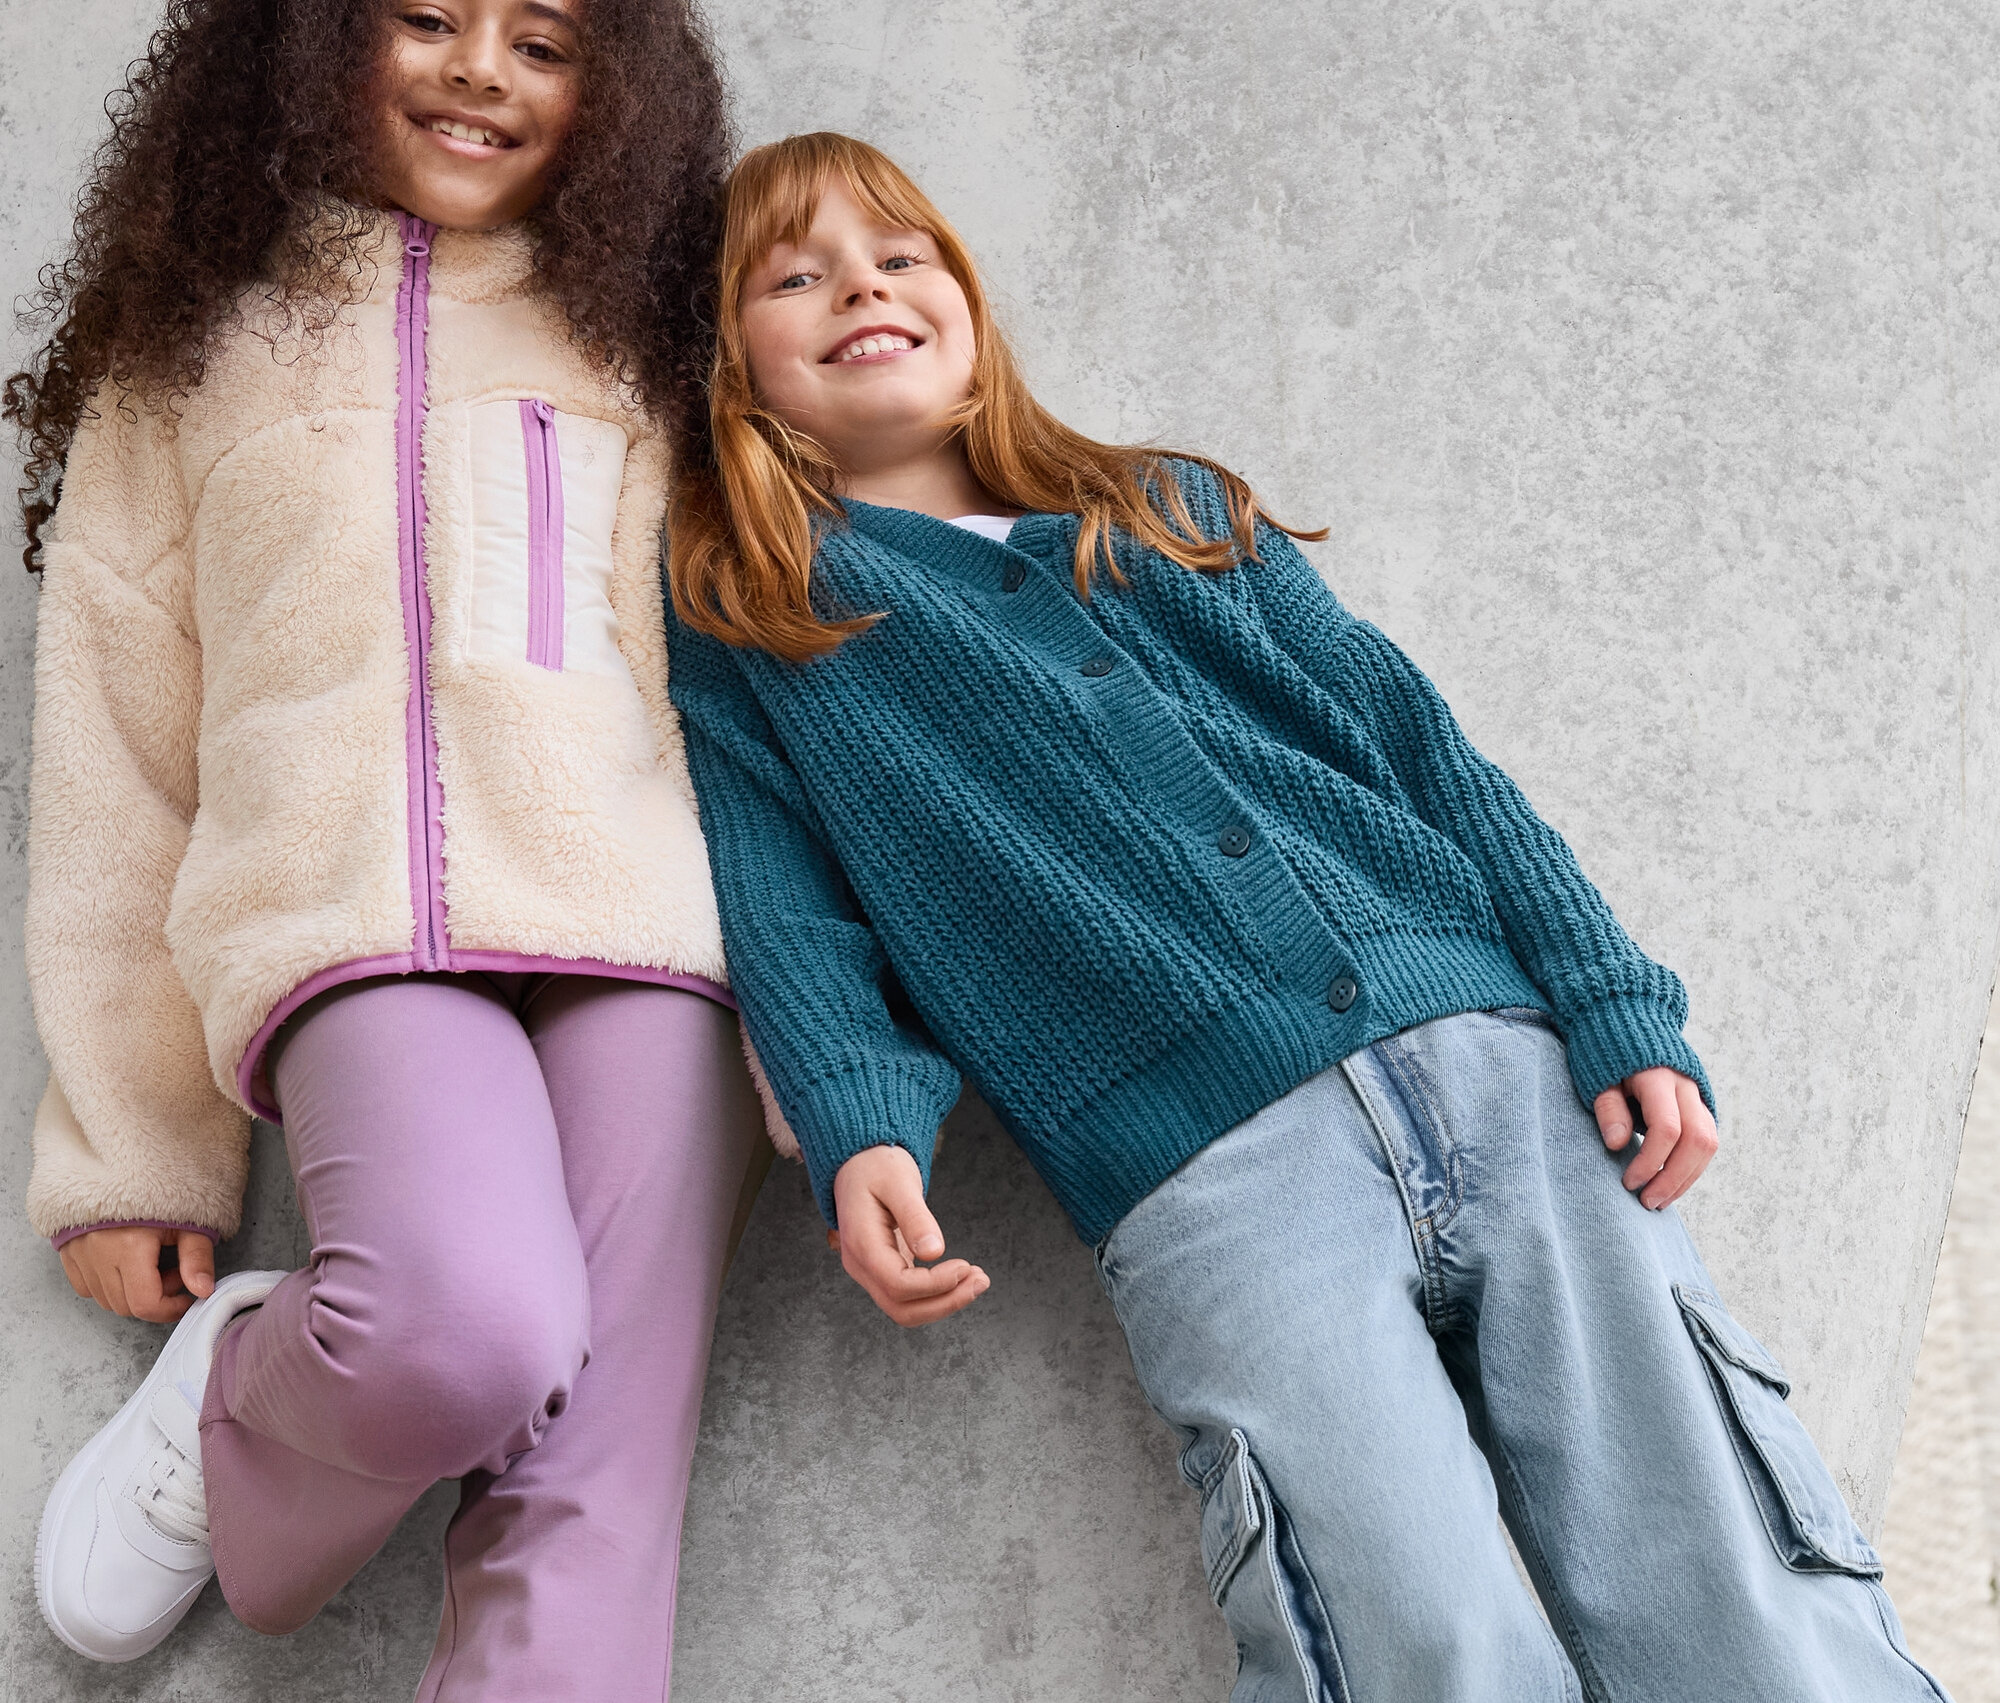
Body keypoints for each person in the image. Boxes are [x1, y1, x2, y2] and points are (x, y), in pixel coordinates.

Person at [662, 131, 1949, 1702]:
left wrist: (1612, 998)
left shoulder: (1175, 511)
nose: (863, 285)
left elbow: (1428, 759)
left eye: (901, 254)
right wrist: (863, 1125)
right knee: (1403, 1618)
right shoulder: (767, 624)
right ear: (735, 363)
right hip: (1212, 1179)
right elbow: (787, 907)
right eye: (798, 276)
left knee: (1720, 1558)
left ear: (972, 304)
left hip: (1503, 1070)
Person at [10, 2, 766, 1694]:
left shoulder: (658, 336)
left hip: (646, 941)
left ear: (620, 95)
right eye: (426, 18)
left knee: (598, 1491)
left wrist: (831, 1021)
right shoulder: (191, 350)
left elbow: (776, 690)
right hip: (348, 927)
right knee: (465, 1335)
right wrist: (136, 1145)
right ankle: (235, 1407)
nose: (481, 68)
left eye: (545, 42)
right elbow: (120, 755)